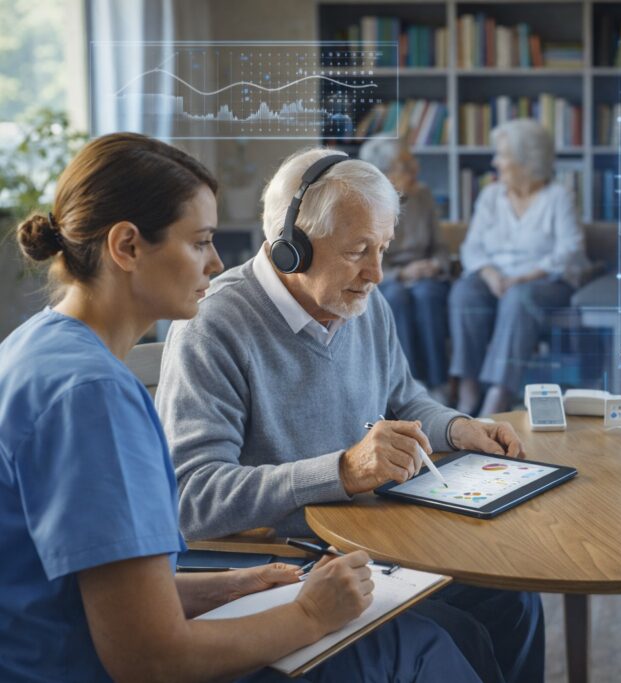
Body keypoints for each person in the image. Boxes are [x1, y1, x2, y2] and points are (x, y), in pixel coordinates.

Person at [0, 133, 479, 683]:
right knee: (419, 646)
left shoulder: (35, 346)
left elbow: (94, 589)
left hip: (50, 648)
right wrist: (307, 613)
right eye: (200, 241)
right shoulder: (93, 397)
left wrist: (231, 585)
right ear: (127, 247)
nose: (218, 261)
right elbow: (150, 660)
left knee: (468, 619)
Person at [156, 148, 545, 683]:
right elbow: (190, 497)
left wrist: (457, 426)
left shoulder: (359, 298)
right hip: (295, 566)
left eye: (382, 248)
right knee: (459, 633)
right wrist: (340, 471)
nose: (378, 272)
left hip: (381, 539)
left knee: (516, 600)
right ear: (289, 247)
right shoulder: (214, 326)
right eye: (359, 250)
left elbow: (406, 400)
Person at [449, 119, 589, 416]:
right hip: (496, 278)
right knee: (464, 293)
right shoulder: (490, 196)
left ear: (527, 160)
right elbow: (471, 247)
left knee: (519, 297)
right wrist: (490, 274)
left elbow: (570, 249)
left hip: (544, 282)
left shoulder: (558, 197)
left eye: (502, 155)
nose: (494, 161)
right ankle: (468, 386)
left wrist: (524, 277)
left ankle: (498, 394)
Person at [359, 136, 452, 398]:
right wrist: (401, 274)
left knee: (428, 295)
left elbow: (441, 246)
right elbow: (364, 258)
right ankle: (409, 385)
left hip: (426, 276)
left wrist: (435, 264)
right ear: (384, 173)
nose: (415, 169)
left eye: (413, 162)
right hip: (386, 277)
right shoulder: (366, 205)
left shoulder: (422, 195)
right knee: (396, 298)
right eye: (406, 165)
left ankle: (439, 384)